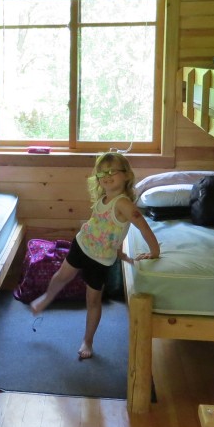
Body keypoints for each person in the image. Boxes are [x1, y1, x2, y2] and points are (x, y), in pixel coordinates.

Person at [30, 152, 160, 359]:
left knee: (93, 300)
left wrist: (155, 251)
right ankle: (47, 297)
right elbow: (106, 228)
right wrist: (119, 250)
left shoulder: (124, 204)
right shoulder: (103, 198)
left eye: (112, 172)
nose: (106, 176)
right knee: (62, 276)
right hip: (82, 244)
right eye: (102, 173)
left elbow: (143, 227)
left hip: (100, 260)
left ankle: (87, 341)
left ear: (126, 175)